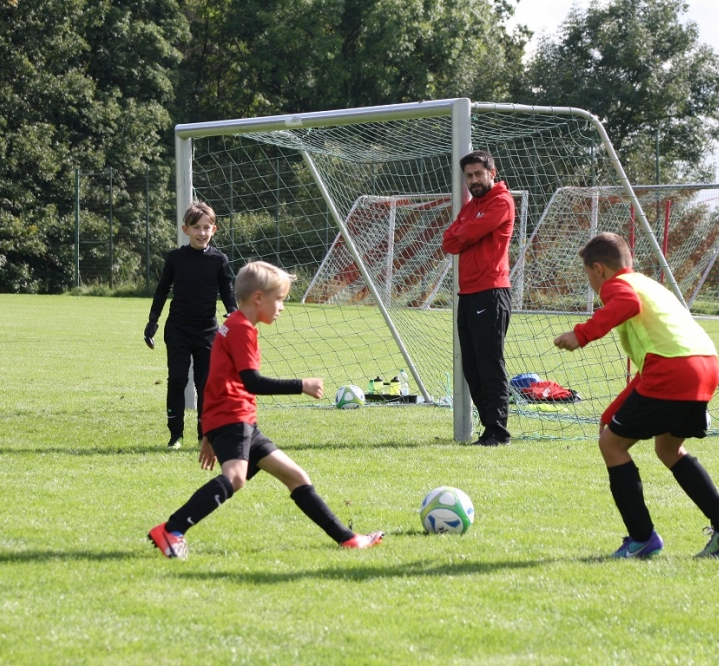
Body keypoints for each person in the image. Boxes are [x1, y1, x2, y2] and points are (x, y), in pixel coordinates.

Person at [148, 261, 384, 557]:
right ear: (258, 298)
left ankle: (348, 539)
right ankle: (172, 530)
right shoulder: (240, 329)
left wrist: (208, 431)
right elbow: (252, 382)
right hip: (234, 419)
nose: (282, 307)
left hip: (239, 421)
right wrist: (302, 385)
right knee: (235, 478)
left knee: (295, 476)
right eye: (280, 299)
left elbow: (214, 380)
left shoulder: (233, 324)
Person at [553, 232, 719, 558]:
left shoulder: (617, 286)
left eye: (588, 274)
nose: (590, 283)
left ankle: (641, 538)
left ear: (599, 269)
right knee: (668, 448)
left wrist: (581, 334)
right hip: (705, 365)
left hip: (673, 369)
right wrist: (610, 413)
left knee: (612, 446)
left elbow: (627, 307)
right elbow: (648, 369)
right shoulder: (649, 286)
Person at [144, 202, 237, 449]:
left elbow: (227, 290)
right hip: (178, 329)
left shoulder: (219, 260)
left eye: (206, 227)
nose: (201, 232)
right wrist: (153, 320)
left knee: (205, 384)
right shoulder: (176, 258)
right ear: (185, 229)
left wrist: (233, 312)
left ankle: (204, 436)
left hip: (207, 331)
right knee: (177, 379)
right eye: (196, 227)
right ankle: (175, 436)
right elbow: (162, 289)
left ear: (214, 229)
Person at [441, 150, 515, 446]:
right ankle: (488, 429)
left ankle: (498, 431)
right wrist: (464, 232)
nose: (473, 180)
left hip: (491, 291)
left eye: (478, 174)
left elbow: (465, 235)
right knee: (471, 366)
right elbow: (449, 242)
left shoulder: (501, 201)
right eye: (469, 176)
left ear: (491, 173)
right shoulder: (471, 207)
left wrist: (464, 233)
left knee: (489, 363)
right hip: (468, 293)